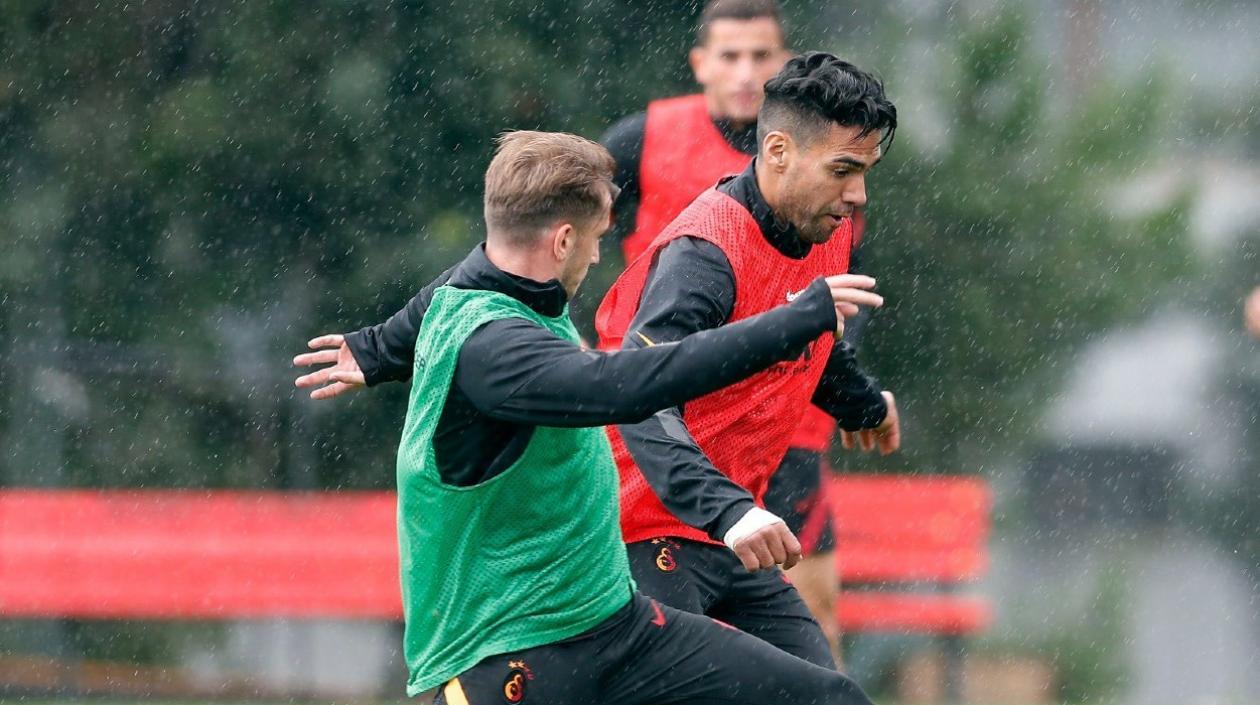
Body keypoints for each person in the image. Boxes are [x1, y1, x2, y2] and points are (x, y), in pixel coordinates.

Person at [295, 1, 875, 661]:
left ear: (781, 66)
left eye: (760, 56)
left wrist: (862, 398)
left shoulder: (827, 188)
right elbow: (522, 233)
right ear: (701, 64)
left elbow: (821, 318)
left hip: (769, 445)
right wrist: (384, 344)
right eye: (729, 55)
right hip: (639, 421)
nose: (744, 71)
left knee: (816, 652)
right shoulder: (656, 155)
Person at [385, 129, 881, 703]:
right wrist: (794, 321)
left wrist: (373, 350)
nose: (600, 255)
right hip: (513, 660)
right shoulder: (497, 350)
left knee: (829, 698)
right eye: (597, 239)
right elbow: (629, 383)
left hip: (616, 630)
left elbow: (439, 293)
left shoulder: (491, 300)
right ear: (565, 240)